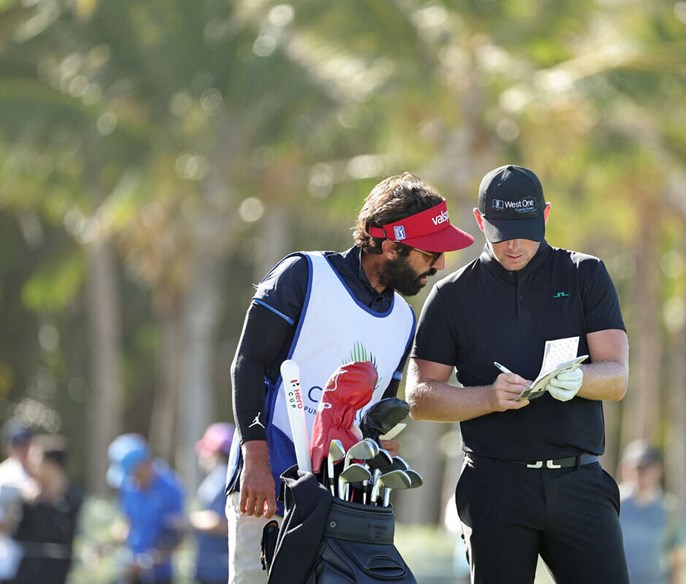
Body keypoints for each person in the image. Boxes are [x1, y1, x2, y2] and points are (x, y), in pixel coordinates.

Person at [226, 172, 474, 583]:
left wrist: (379, 442)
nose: (440, 265)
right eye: (431, 253)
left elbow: (375, 413)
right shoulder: (302, 274)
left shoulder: (402, 319)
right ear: (391, 246)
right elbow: (247, 364)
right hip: (269, 484)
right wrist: (255, 461)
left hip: (342, 502)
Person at [406, 164, 630, 584]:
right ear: (479, 221)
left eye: (525, 231)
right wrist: (487, 398)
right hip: (495, 485)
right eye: (501, 231)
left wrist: (579, 381)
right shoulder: (452, 295)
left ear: (545, 216)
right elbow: (419, 397)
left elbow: (616, 378)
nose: (513, 245)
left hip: (578, 480)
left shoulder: (584, 274)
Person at [107, 433, 185, 584]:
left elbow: (178, 535)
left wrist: (148, 561)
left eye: (133, 473)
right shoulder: (127, 486)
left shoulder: (171, 488)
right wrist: (111, 543)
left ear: (142, 465)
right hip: (130, 571)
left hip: (160, 575)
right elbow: (126, 522)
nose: (132, 479)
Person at [5, 434, 83, 584]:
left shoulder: (76, 500)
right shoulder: (26, 500)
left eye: (36, 458)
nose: (30, 463)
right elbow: (13, 535)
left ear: (51, 465)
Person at [618, 440, 685, 584]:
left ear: (658, 470)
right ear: (624, 469)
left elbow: (676, 558)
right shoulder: (613, 503)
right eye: (636, 467)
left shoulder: (668, 508)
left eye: (646, 467)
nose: (640, 473)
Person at [191, 422, 234, 584]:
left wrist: (190, 520)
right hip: (209, 567)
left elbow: (224, 523)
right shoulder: (218, 477)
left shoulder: (223, 478)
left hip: (220, 571)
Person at [0, 422, 33, 582]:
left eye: (27, 443)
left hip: (29, 553)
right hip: (7, 552)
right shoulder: (6, 476)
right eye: (19, 444)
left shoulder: (35, 471)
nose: (24, 449)